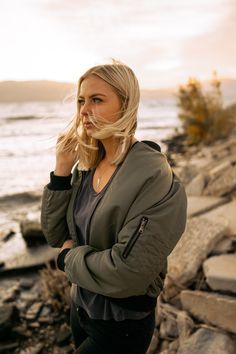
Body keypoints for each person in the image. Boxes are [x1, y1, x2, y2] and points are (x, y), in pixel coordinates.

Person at [41, 60, 187, 354]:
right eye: (82, 100)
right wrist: (61, 172)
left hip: (121, 325)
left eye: (97, 100)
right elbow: (56, 235)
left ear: (126, 104)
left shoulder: (154, 176)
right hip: (81, 308)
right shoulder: (89, 167)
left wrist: (69, 258)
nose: (84, 110)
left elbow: (127, 273)